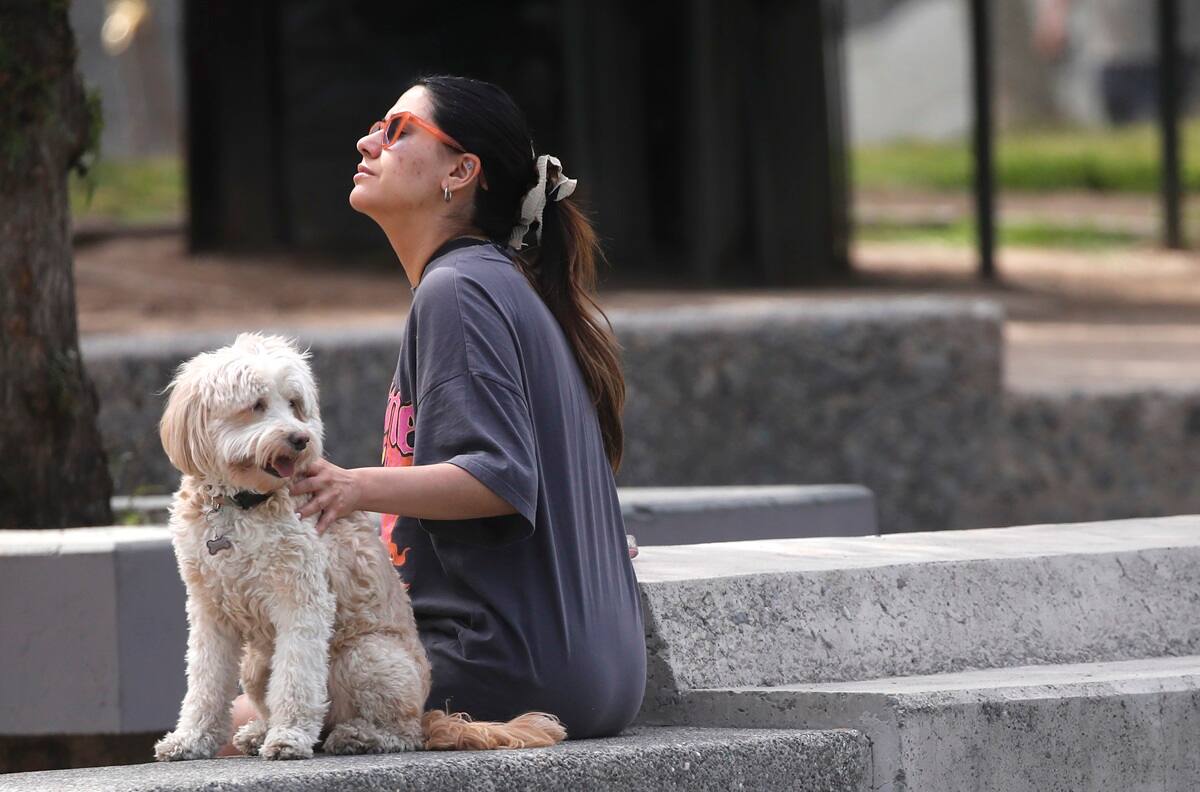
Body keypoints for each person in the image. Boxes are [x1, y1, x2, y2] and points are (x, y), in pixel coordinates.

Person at [220, 75, 646, 750]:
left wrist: (350, 485)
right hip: (594, 681)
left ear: (460, 171)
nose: (368, 141)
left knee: (244, 718)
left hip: (505, 672)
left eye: (398, 131)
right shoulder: (498, 281)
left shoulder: (458, 290)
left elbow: (499, 478)